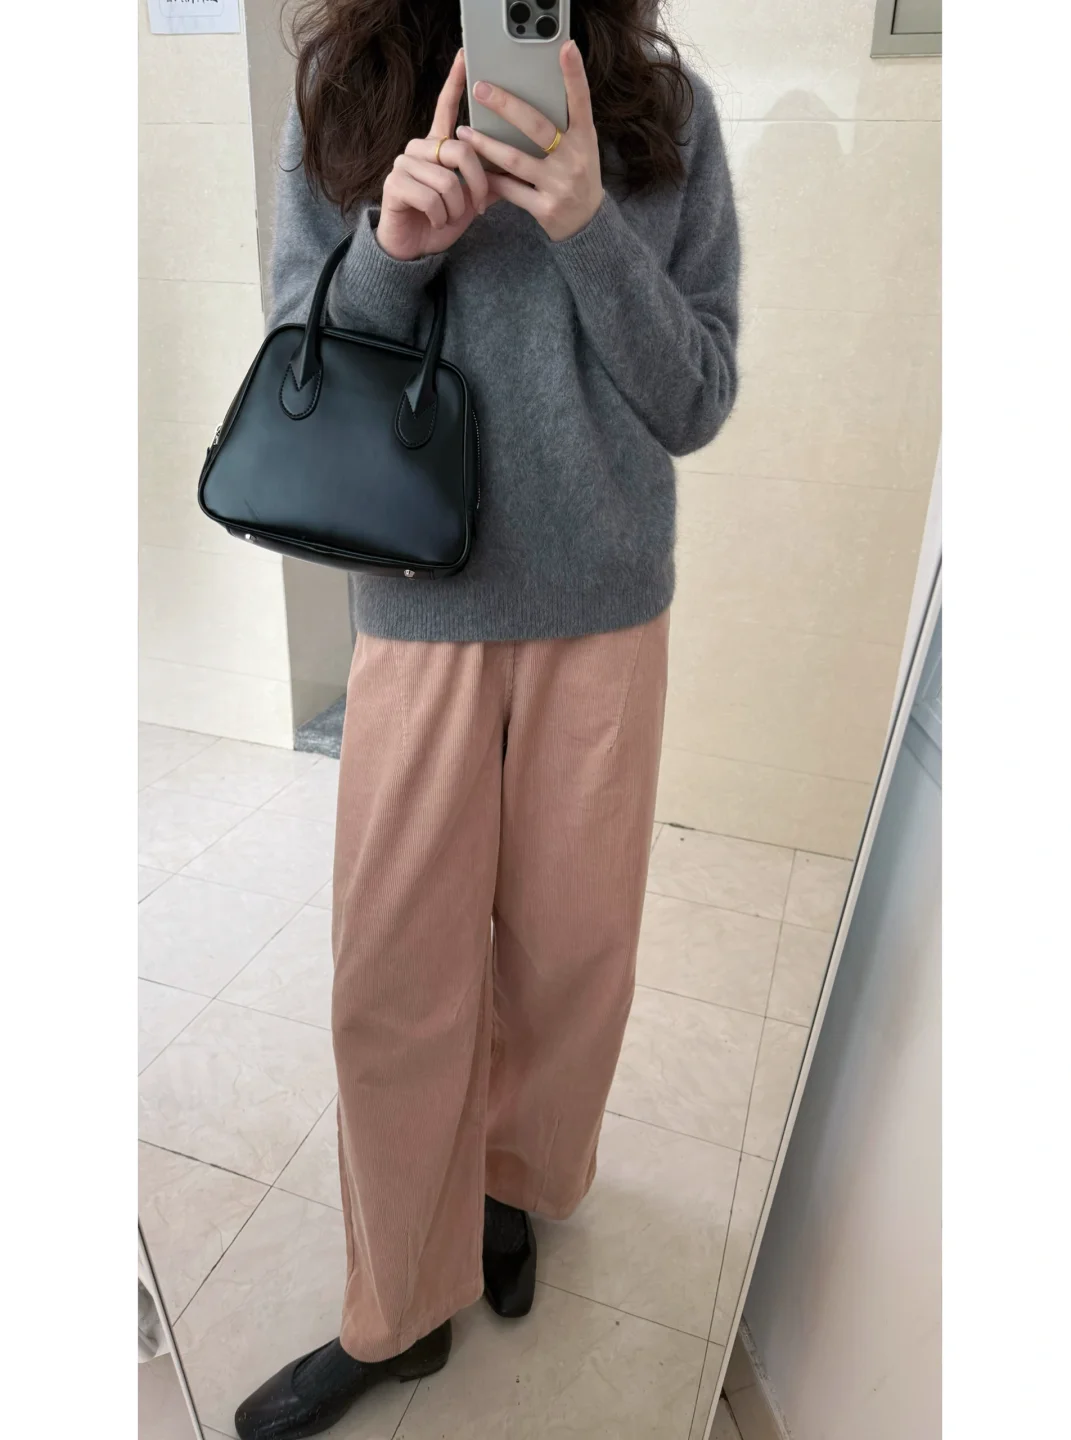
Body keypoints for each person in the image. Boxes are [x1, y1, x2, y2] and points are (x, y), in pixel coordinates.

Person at [235, 2, 739, 1435]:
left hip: (603, 608)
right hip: (419, 606)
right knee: (393, 979)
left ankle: (510, 1189)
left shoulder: (662, 115)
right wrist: (395, 253)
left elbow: (695, 396)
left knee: (572, 961)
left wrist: (586, 223)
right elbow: (300, 352)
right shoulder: (343, 97)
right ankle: (398, 1305)